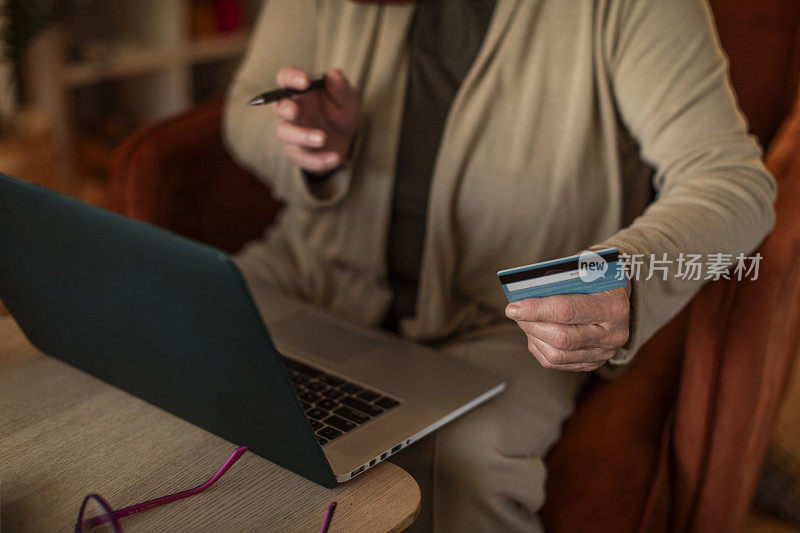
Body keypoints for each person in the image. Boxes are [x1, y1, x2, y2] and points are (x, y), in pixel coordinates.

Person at [223, 0, 776, 530]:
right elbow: (244, 108)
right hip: (309, 270)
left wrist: (621, 275)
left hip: (508, 320)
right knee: (176, 360)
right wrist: (316, 145)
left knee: (467, 475)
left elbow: (732, 182)